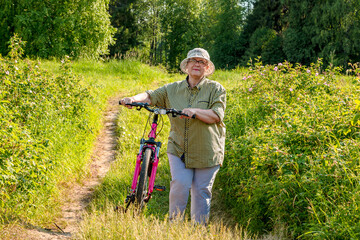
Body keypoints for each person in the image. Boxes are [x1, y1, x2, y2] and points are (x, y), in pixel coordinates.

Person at [120, 48, 226, 224]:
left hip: (207, 150)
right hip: (178, 147)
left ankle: (197, 232)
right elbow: (150, 95)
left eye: (202, 62)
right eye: (193, 61)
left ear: (207, 68)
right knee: (179, 184)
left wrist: (195, 112)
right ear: (187, 65)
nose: (197, 64)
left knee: (201, 191)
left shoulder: (215, 89)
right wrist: (132, 98)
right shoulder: (172, 89)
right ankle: (174, 227)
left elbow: (216, 115)